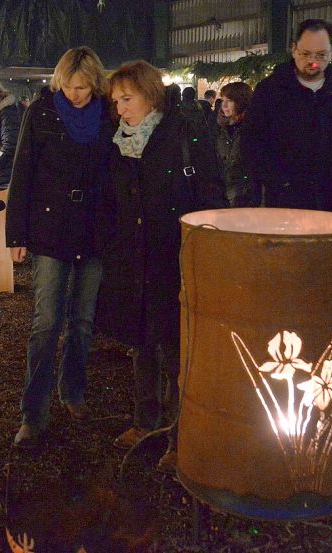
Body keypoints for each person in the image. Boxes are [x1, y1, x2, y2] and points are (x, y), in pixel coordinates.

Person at [98, 60, 226, 473]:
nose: (120, 109)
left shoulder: (184, 132)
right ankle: (144, 421)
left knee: (175, 348)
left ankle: (180, 434)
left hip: (176, 255)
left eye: (127, 98)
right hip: (135, 258)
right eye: (116, 101)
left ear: (150, 94)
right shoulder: (119, 141)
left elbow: (211, 192)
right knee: (142, 343)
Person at [6, 46, 115, 448]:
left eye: (84, 87)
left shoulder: (108, 114)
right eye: (70, 87)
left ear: (95, 83)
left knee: (83, 321)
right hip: (50, 228)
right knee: (46, 321)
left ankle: (73, 390)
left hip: (93, 231)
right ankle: (33, 412)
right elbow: (23, 172)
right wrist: (16, 235)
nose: (76, 94)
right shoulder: (42, 113)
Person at [241, 18, 332, 212]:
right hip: (284, 205)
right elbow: (252, 144)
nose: (313, 62)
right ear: (294, 49)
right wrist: (280, 184)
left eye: (321, 55)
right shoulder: (270, 91)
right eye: (306, 54)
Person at [216, 81, 258, 206]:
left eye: (229, 100)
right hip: (223, 197)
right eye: (222, 100)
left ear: (241, 101)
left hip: (246, 198)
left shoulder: (254, 128)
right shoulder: (219, 128)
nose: (224, 105)